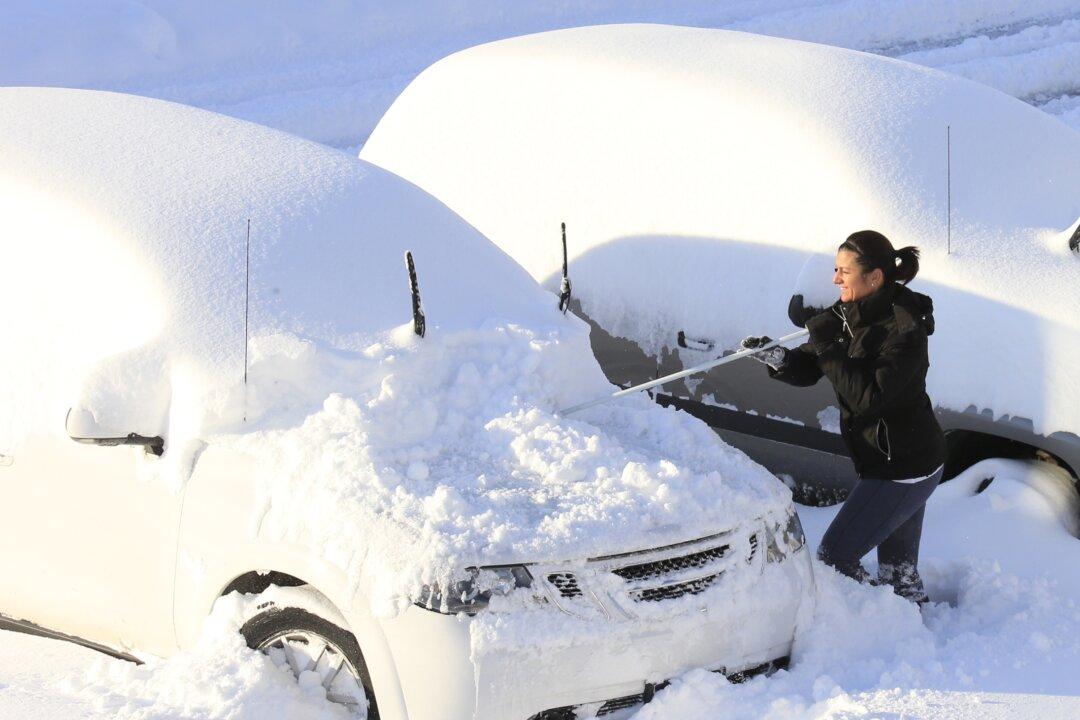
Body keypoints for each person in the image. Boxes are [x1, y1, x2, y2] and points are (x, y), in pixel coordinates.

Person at [742, 230, 946, 604]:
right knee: (898, 574)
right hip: (894, 460)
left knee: (835, 558)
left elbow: (868, 398)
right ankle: (907, 614)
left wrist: (826, 343)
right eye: (836, 269)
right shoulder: (851, 311)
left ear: (875, 277)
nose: (835, 279)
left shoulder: (904, 330)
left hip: (904, 469)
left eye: (844, 271)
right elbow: (813, 365)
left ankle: (878, 615)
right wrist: (779, 358)